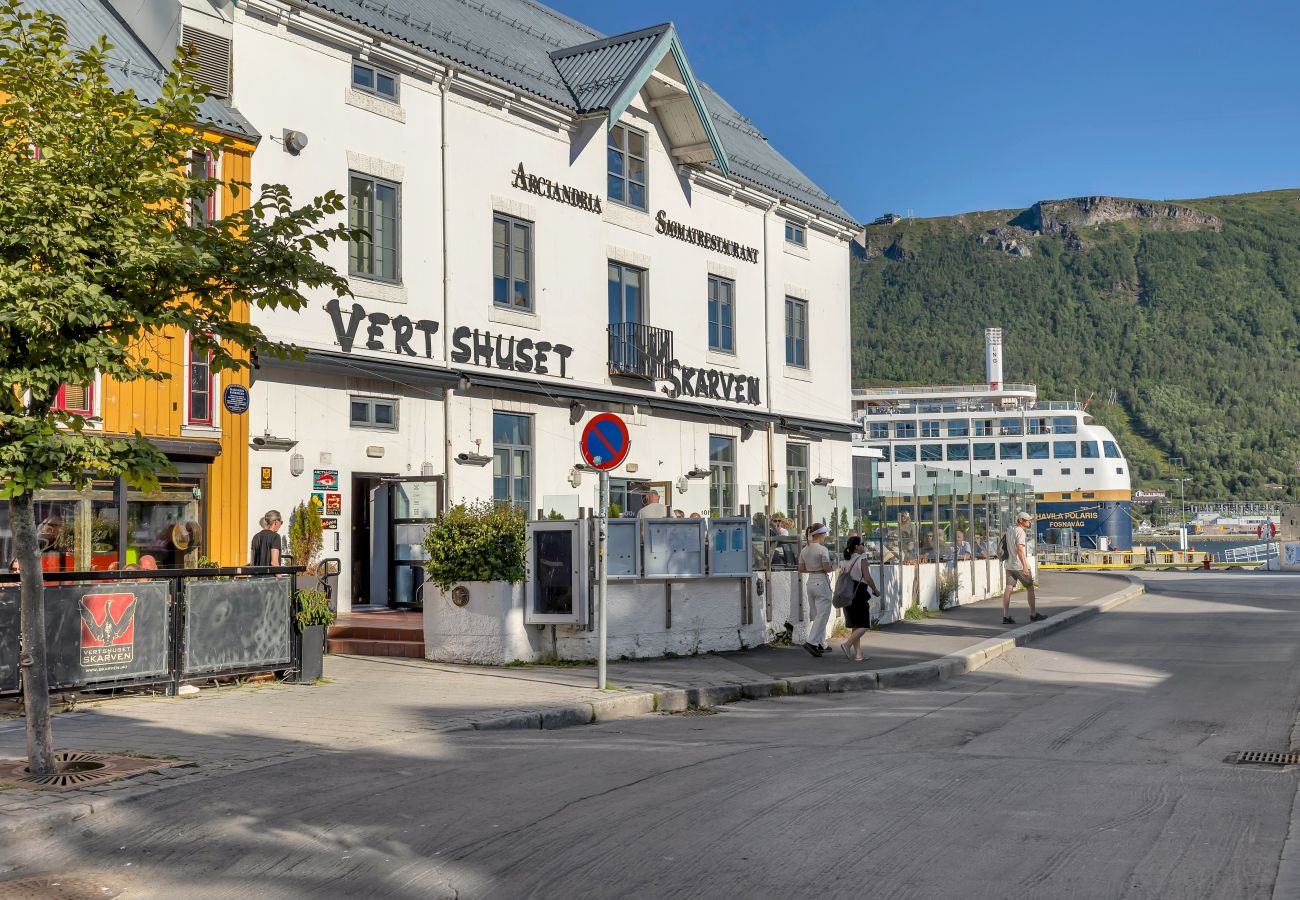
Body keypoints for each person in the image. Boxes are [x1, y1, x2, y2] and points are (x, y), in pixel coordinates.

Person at [838, 535, 879, 662]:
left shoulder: (845, 561)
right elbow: (867, 578)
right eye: (862, 544)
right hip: (859, 593)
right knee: (865, 624)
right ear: (856, 547)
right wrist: (875, 589)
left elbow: (841, 578)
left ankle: (858, 655)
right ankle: (847, 644)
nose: (864, 546)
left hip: (847, 593)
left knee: (856, 625)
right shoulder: (861, 559)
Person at [1001, 511, 1045, 625]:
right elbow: (1020, 550)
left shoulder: (1010, 530)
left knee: (1008, 589)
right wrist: (1025, 566)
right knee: (1030, 587)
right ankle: (1033, 614)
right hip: (1019, 566)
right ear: (1021, 520)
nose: (1029, 521)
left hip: (1009, 565)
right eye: (1027, 520)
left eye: (1030, 519)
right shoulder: (1020, 532)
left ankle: (1005, 616)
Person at [798, 523, 835, 657]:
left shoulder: (804, 549)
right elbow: (826, 567)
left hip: (810, 581)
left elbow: (801, 569)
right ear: (819, 534)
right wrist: (833, 568)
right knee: (823, 614)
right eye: (824, 533)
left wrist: (812, 569)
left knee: (816, 614)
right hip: (821, 580)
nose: (826, 535)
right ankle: (812, 642)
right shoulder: (822, 549)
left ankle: (820, 643)